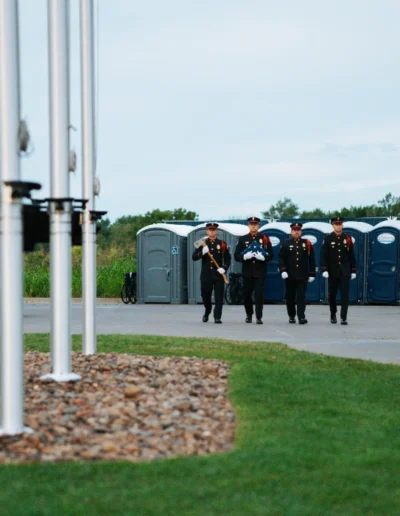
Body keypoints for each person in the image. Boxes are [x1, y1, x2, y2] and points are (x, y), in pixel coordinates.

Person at [234, 216, 273, 324]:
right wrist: (244, 257)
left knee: (259, 295)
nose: (253, 226)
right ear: (248, 226)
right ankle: (249, 314)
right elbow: (236, 255)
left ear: (258, 226)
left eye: (255, 224)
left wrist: (264, 258)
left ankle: (259, 316)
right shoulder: (243, 239)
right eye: (251, 224)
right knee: (247, 295)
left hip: (260, 271)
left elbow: (271, 254)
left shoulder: (264, 238)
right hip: (247, 271)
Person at [192, 222, 231, 324]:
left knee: (219, 296)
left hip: (218, 274)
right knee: (205, 295)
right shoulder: (202, 243)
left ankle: (217, 317)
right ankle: (207, 310)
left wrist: (224, 268)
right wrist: (202, 253)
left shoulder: (222, 244)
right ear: (207, 231)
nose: (212, 231)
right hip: (206, 275)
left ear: (216, 231)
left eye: (214, 230)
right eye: (210, 229)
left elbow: (227, 259)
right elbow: (194, 257)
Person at [320, 216, 357, 325]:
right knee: (332, 295)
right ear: (332, 226)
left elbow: (351, 255)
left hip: (345, 271)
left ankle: (343, 317)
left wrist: (353, 270)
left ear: (342, 225)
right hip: (332, 271)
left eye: (340, 224)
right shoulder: (328, 238)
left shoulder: (348, 238)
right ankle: (333, 314)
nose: (338, 226)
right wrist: (324, 269)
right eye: (336, 224)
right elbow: (324, 256)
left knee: (345, 295)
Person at [278, 222, 316, 324]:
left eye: (298, 230)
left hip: (302, 275)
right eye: (294, 230)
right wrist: (283, 270)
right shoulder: (286, 243)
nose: (296, 232)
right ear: (291, 232)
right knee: (290, 296)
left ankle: (301, 316)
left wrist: (312, 273)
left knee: (301, 297)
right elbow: (281, 258)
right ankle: (291, 315)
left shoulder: (307, 243)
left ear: (301, 231)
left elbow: (312, 259)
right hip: (289, 275)